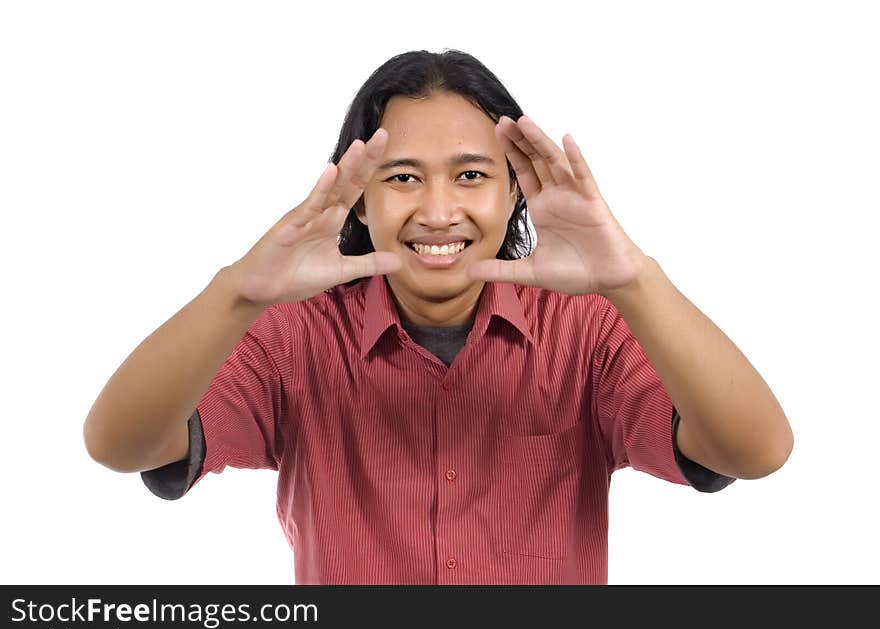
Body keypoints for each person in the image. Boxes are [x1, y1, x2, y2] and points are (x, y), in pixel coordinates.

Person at [83, 49, 793, 584]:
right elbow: (119, 444)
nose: (438, 210)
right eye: (402, 178)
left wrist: (633, 278)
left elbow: (755, 450)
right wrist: (238, 292)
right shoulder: (294, 334)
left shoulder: (585, 329)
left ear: (517, 191)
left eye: (471, 174)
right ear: (358, 196)